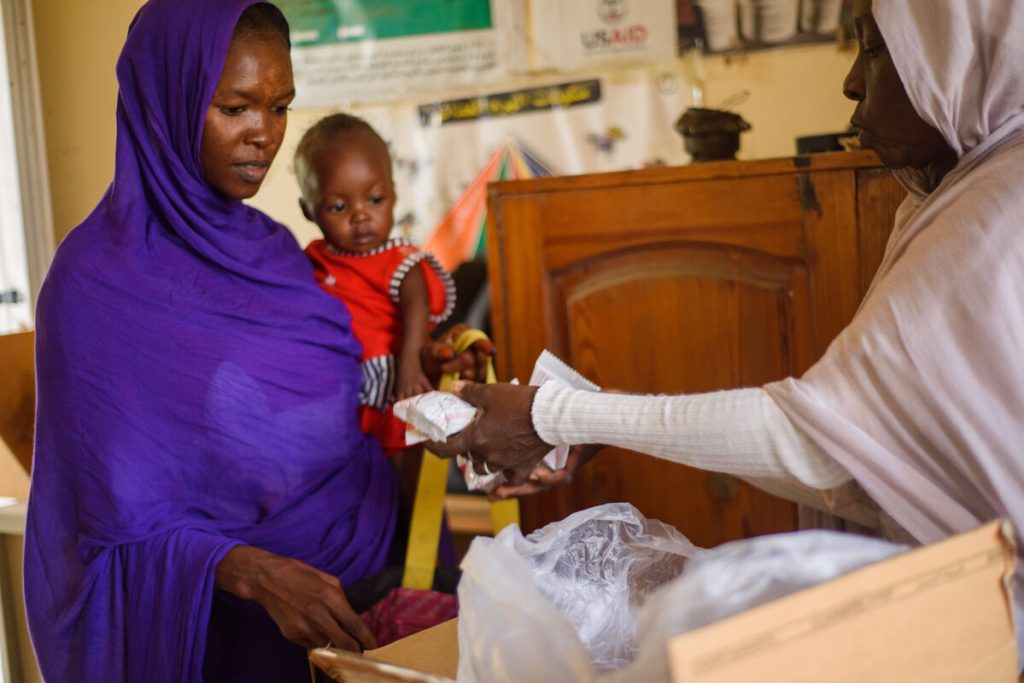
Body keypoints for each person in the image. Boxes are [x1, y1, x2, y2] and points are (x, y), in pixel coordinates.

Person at [429, 0, 1024, 662]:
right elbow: (874, 456)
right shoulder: (964, 192)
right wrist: (588, 420)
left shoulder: (996, 212)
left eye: (876, 50)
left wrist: (558, 412)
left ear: (960, 51)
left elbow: (818, 443)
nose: (853, 82)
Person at [25, 2, 489, 681]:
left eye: (279, 108)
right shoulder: (96, 281)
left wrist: (426, 371)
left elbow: (342, 399)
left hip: (375, 589)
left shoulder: (278, 252)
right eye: (236, 107)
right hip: (234, 630)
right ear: (169, 99)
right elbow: (98, 523)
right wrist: (247, 569)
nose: (263, 136)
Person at [296, 113, 456, 456]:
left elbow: (418, 306)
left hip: (397, 384)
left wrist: (410, 363)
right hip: (341, 392)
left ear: (394, 193)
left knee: (402, 468)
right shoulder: (314, 261)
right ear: (309, 211)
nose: (360, 215)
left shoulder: (399, 259)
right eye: (339, 206)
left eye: (375, 199)